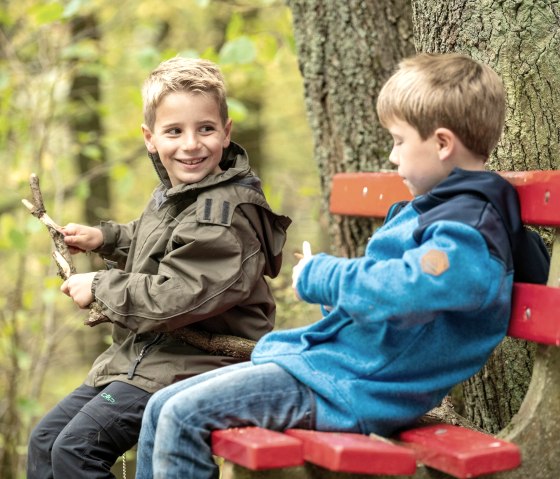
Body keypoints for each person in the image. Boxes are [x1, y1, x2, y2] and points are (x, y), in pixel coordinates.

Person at [134, 52, 550, 479]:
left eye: (399, 141)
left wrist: (323, 276)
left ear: (442, 144)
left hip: (352, 388)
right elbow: (400, 299)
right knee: (161, 406)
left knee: (183, 416)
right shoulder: (447, 214)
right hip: (337, 372)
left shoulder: (465, 231)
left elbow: (410, 286)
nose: (392, 157)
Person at [26, 56, 291, 478]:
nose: (191, 144)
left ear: (225, 133)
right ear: (150, 139)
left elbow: (180, 293)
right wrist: (107, 239)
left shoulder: (225, 212)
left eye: (205, 129)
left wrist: (101, 286)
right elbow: (165, 244)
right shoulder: (180, 193)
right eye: (174, 131)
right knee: (46, 442)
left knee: (76, 451)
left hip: (198, 364)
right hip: (146, 358)